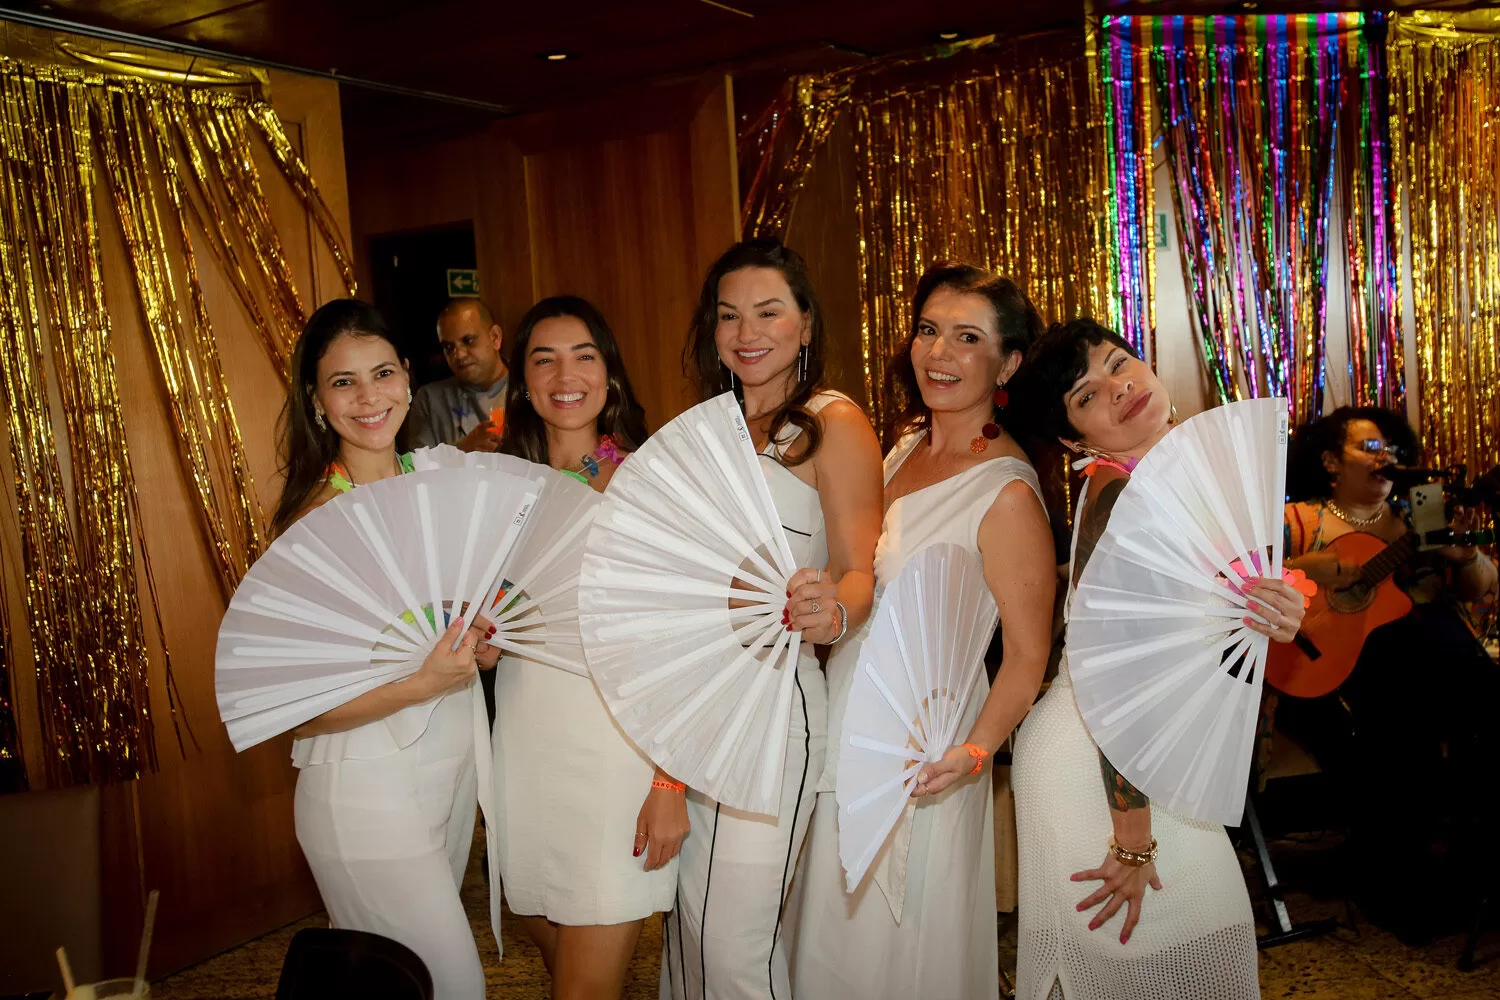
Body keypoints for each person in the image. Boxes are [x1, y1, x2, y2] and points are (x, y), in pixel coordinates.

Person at [1006, 318, 1307, 1000]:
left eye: (1118, 363)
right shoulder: (1120, 495)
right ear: (1074, 441)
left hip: (1160, 751)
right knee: (1180, 968)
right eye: (1086, 395)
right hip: (1103, 758)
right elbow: (1117, 675)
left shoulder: (1184, 477)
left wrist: (1278, 613)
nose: (1117, 387)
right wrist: (1132, 838)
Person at [792, 263, 1056, 999]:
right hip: (847, 708)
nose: (939, 352)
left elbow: (1027, 656)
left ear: (1007, 365)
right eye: (929, 330)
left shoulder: (1006, 492)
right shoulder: (905, 445)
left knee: (898, 948)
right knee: (829, 931)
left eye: (968, 338)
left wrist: (973, 752)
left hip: (925, 748)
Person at [663, 239, 884, 1000]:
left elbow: (859, 568)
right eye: (728, 315)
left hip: (774, 702)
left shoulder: (832, 421)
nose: (746, 332)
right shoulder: (705, 430)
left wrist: (836, 610)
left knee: (735, 949)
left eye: (767, 312)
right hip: (694, 699)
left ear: (806, 324)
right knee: (688, 937)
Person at [272, 299, 490, 1000]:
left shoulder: (436, 486)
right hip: (363, 786)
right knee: (454, 986)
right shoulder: (318, 520)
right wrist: (425, 682)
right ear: (316, 400)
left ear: (407, 378)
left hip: (448, 768)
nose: (369, 397)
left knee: (397, 990)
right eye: (344, 382)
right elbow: (298, 711)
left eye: (383, 373)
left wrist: (475, 643)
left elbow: (447, 630)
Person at [491, 295, 681, 1000]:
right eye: (544, 359)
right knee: (558, 956)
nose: (565, 376)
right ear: (522, 381)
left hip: (615, 752)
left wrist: (669, 782)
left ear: (610, 375)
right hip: (522, 743)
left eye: (583, 356)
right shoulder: (498, 489)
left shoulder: (649, 483)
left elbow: (678, 641)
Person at [1277, 406, 1499, 941]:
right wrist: (1306, 569)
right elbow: (1240, 581)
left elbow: (1480, 587)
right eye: (1371, 447)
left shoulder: (1419, 515)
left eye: (1393, 449)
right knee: (1405, 716)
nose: (1387, 458)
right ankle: (1403, 886)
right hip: (1331, 679)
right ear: (1331, 461)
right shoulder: (1297, 520)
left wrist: (1464, 556)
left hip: (1429, 674)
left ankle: (1471, 873)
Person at [407, 297, 509, 452]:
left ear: (495, 337)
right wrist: (461, 450)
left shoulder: (529, 391)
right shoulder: (429, 400)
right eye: (449, 347)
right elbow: (417, 464)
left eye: (469, 341)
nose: (459, 354)